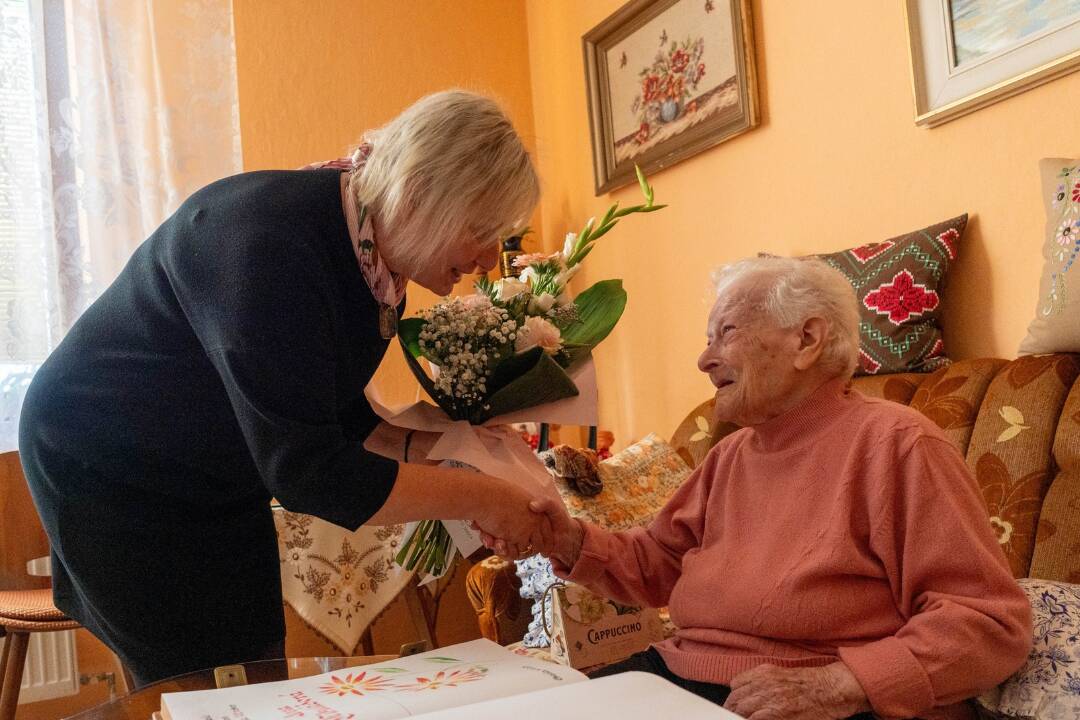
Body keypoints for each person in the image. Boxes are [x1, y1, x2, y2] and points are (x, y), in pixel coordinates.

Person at [19, 90, 548, 686]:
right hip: (109, 471)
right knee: (193, 685)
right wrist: (484, 498)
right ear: (424, 190)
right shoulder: (271, 247)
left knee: (254, 669)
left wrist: (459, 449)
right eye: (480, 230)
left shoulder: (370, 257)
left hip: (211, 472)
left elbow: (333, 412)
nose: (486, 258)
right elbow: (311, 474)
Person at [522, 256, 1033, 720]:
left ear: (807, 340)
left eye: (726, 333)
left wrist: (842, 683)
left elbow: (988, 622)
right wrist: (563, 537)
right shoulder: (730, 454)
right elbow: (655, 564)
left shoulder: (898, 444)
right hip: (680, 677)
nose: (704, 360)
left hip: (809, 697)